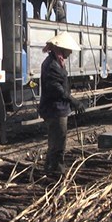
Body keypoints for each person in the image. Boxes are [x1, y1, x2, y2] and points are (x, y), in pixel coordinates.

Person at [39, 32, 85, 174]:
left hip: (58, 108)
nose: (70, 53)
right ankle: (58, 174)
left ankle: (48, 170)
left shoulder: (57, 62)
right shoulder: (52, 65)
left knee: (54, 143)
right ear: (61, 49)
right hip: (55, 110)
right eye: (69, 50)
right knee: (58, 144)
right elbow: (57, 89)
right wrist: (74, 101)